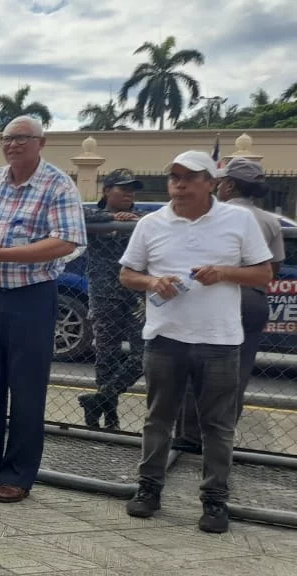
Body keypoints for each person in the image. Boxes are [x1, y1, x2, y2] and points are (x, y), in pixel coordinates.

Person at [118, 150, 273, 533]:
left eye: (190, 177)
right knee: (158, 420)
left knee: (217, 426)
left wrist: (222, 273)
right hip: (165, 339)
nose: (180, 184)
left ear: (212, 182)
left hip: (219, 341)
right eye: (174, 177)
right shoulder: (152, 224)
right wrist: (153, 282)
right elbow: (127, 274)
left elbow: (264, 273)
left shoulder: (238, 220)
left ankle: (215, 501)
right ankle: (149, 489)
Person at [0, 116, 86, 504]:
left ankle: (17, 476)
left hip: (32, 295)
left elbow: (65, 241)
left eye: (22, 139)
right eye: (8, 139)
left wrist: (3, 254)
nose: (13, 145)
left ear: (41, 143)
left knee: (26, 389)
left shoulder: (57, 184)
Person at [173, 157, 287, 454]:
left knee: (192, 361)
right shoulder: (270, 221)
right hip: (251, 296)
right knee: (237, 371)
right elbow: (273, 268)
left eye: (221, 181)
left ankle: (188, 435)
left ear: (229, 185)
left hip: (210, 294)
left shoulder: (211, 215)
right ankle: (219, 438)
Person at [78, 169, 150, 430]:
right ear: (107, 190)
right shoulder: (96, 216)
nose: (130, 193)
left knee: (142, 356)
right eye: (123, 188)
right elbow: (78, 215)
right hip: (104, 296)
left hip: (136, 298)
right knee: (106, 357)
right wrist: (112, 217)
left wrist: (132, 219)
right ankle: (109, 416)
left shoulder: (141, 219)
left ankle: (99, 399)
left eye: (133, 189)